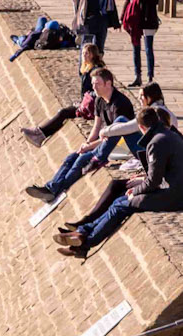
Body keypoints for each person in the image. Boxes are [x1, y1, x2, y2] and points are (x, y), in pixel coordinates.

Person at [55, 106, 183, 257]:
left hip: (173, 196)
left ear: (141, 127)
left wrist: (134, 191)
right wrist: (139, 185)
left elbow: (153, 181)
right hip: (173, 191)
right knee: (120, 201)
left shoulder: (156, 142)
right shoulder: (168, 135)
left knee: (120, 205)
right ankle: (81, 233)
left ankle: (85, 243)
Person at [24, 66, 136, 204]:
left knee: (83, 159)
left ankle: (55, 190)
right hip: (107, 141)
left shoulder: (120, 104)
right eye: (93, 83)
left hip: (122, 146)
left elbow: (117, 135)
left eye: (97, 84)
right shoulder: (100, 100)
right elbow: (96, 126)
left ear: (108, 83)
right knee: (72, 156)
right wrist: (87, 143)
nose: (93, 87)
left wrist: (90, 147)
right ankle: (51, 188)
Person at [21, 44, 105, 144]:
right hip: (87, 103)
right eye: (83, 53)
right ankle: (40, 134)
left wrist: (84, 101)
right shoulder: (87, 68)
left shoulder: (95, 71)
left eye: (87, 53)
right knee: (64, 112)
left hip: (94, 108)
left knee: (64, 112)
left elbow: (98, 92)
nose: (84, 56)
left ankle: (39, 133)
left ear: (93, 55)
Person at [121, 0, 161, 86]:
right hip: (135, 19)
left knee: (148, 48)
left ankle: (150, 77)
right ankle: (137, 76)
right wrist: (122, 17)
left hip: (148, 18)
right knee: (135, 48)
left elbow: (154, 1)